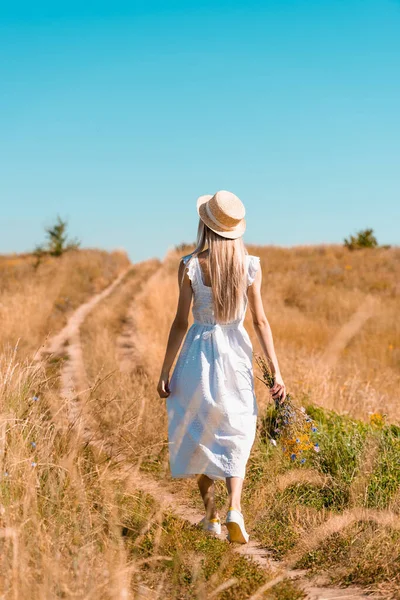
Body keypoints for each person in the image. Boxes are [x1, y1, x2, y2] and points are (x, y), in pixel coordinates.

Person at [157, 190, 286, 544]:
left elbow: (180, 323)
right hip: (235, 355)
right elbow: (260, 321)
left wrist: (165, 371)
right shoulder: (249, 265)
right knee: (237, 430)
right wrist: (276, 371)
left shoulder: (190, 265)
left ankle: (210, 517)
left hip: (197, 354)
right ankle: (235, 509)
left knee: (201, 432)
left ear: (205, 224)